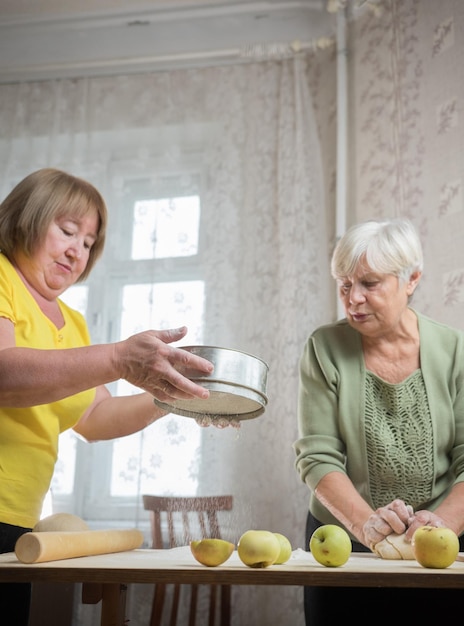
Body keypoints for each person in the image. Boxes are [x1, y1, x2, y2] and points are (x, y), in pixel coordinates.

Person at [0, 168, 214, 625]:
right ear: (26, 219)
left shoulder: (73, 324)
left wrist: (171, 396)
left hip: (16, 519)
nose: (79, 250)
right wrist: (118, 358)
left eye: (90, 242)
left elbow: (96, 417)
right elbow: (3, 373)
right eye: (67, 230)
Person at [294, 217, 464, 624]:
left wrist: (441, 525)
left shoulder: (454, 349)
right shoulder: (324, 348)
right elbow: (318, 456)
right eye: (345, 284)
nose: (353, 298)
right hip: (344, 543)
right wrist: (365, 524)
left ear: (411, 279)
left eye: (369, 284)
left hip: (440, 545)